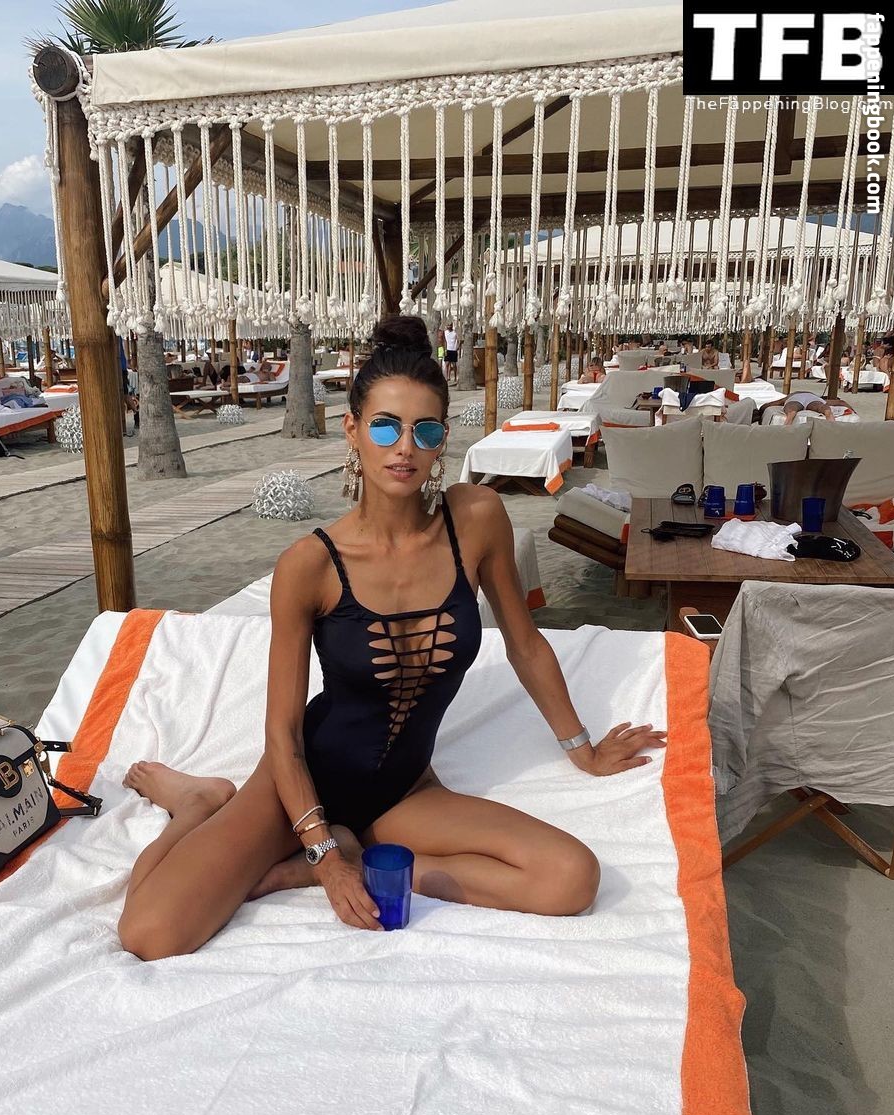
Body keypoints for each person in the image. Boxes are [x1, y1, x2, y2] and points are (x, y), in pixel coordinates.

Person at [116, 315, 667, 961]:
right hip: (302, 785)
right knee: (149, 933)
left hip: (404, 790)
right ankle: (197, 802)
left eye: (424, 430)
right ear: (352, 431)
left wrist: (584, 751)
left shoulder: (476, 519)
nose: (404, 447)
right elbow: (282, 735)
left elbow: (524, 644)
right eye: (385, 426)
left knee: (572, 878)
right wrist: (322, 856)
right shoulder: (310, 565)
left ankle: (365, 852)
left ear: (441, 442)